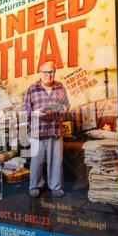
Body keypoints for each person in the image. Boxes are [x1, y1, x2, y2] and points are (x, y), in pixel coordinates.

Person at [23, 61, 70, 198]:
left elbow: (67, 105)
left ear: (54, 73)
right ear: (40, 72)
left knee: (56, 161)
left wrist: (63, 109)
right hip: (38, 130)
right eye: (45, 72)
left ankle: (55, 187)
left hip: (55, 129)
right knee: (37, 161)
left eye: (51, 72)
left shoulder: (60, 87)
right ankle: (35, 186)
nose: (48, 75)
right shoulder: (32, 89)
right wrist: (35, 113)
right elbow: (24, 110)